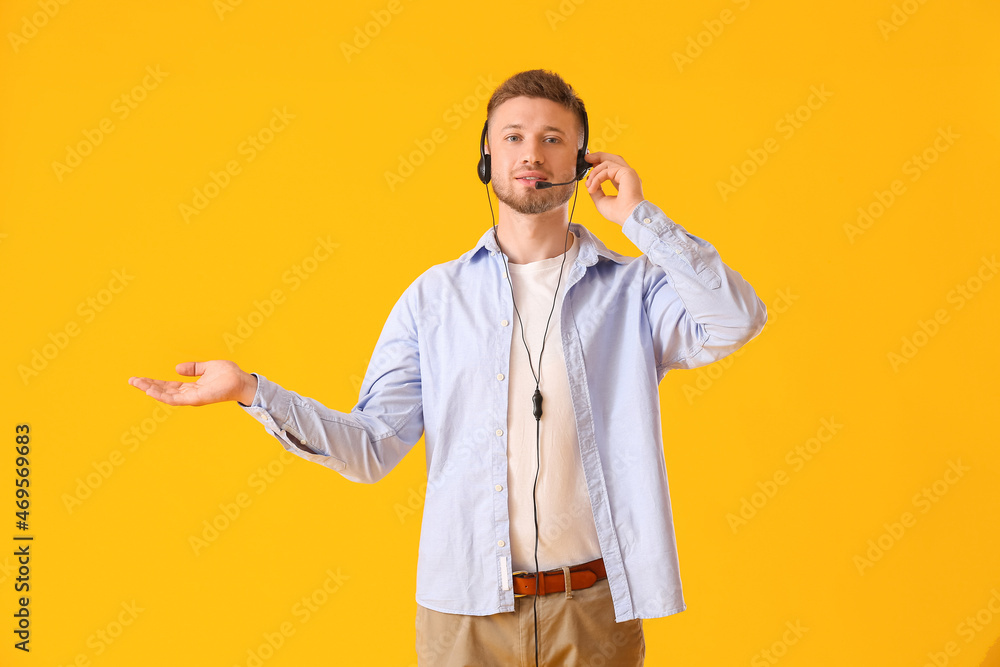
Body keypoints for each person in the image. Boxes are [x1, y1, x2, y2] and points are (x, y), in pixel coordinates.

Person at [128, 69, 767, 666]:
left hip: (595, 608)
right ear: (487, 158)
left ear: (582, 161)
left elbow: (736, 320)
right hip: (464, 613)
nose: (531, 154)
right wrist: (252, 391)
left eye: (553, 139)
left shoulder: (635, 292)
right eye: (512, 137)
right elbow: (370, 447)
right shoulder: (434, 299)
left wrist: (637, 217)